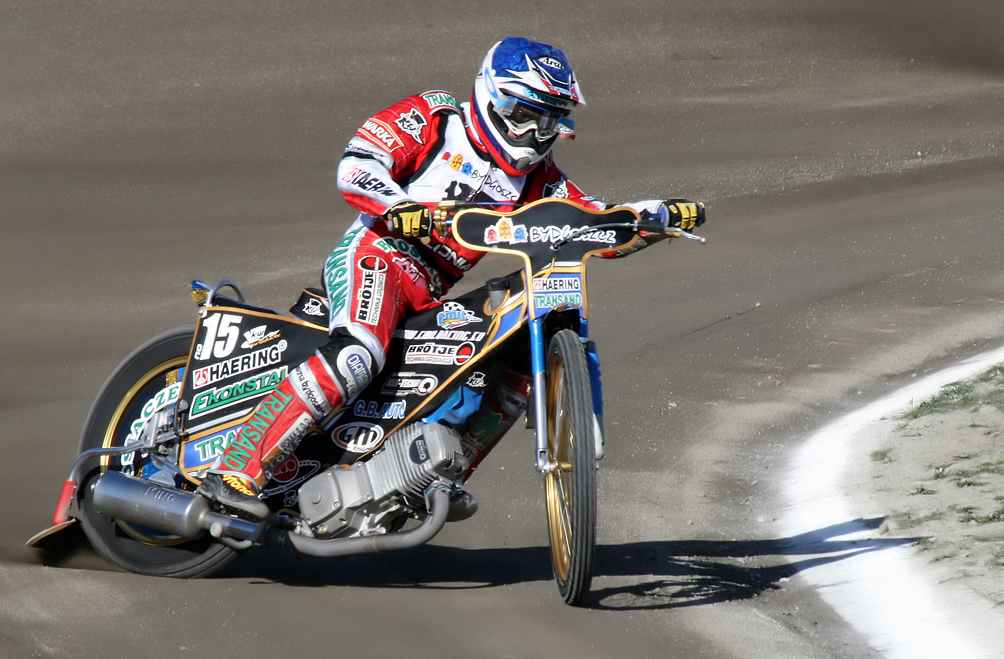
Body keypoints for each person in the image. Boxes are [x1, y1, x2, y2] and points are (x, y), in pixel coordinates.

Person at [198, 36, 705, 520]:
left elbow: (596, 220)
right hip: (377, 255)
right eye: (523, 114)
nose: (533, 134)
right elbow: (356, 165)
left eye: (547, 122)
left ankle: (436, 473)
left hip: (430, 292)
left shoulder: (539, 179)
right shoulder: (436, 117)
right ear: (490, 95)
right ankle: (234, 467)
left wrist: (658, 217)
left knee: (506, 364)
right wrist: (400, 207)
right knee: (358, 354)